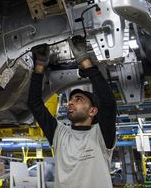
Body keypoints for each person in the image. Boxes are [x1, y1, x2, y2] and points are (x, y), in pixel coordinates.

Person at [28, 36, 117, 188]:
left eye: (79, 99)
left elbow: (108, 102)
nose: (70, 102)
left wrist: (84, 59)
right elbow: (34, 103)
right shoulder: (59, 134)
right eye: (70, 100)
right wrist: (40, 65)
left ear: (93, 111)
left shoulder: (101, 135)